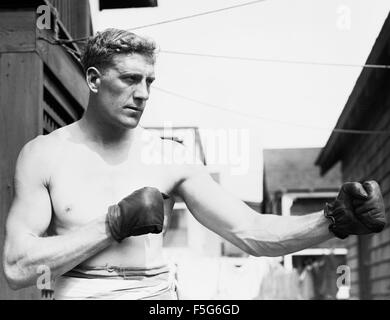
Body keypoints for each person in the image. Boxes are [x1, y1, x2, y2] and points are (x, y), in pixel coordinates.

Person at [2, 29, 387, 300]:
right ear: (94, 79)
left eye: (150, 81)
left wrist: (332, 222)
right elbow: (18, 268)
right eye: (130, 79)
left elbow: (249, 229)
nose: (143, 94)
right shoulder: (44, 155)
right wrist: (112, 224)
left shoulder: (171, 157)